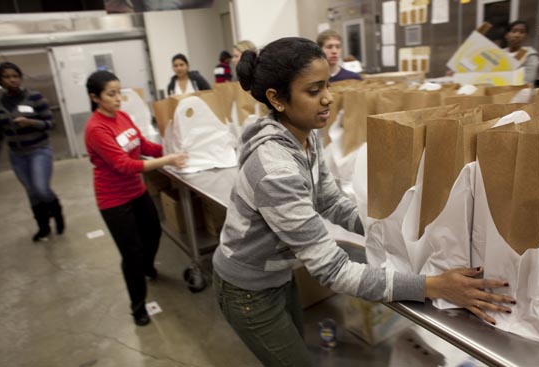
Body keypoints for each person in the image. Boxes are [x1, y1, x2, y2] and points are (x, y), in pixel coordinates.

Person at [211, 37, 515, 367]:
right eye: (313, 91)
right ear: (277, 98)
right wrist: (434, 286)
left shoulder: (305, 134)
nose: (328, 98)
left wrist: (388, 230)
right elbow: (334, 272)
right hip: (246, 290)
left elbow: (328, 200)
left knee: (293, 345)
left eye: (327, 85)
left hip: (278, 274)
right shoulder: (275, 171)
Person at [84, 70, 188, 326]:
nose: (118, 98)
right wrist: (168, 160)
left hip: (135, 191)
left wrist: (172, 147)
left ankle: (147, 266)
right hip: (113, 200)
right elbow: (123, 165)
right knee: (131, 253)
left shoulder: (122, 116)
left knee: (153, 232)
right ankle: (138, 306)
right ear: (95, 97)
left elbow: (142, 147)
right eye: (111, 94)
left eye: (119, 92)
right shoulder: (96, 129)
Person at [0, 62, 65, 242]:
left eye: (15, 76)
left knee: (41, 189)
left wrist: (31, 123)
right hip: (16, 154)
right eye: (7, 76)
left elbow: (50, 124)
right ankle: (43, 227)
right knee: (31, 192)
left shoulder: (35, 97)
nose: (12, 80)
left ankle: (57, 212)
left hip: (39, 150)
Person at [504, 20, 539, 85]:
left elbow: (528, 79)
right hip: (498, 92)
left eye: (522, 32)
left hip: (521, 92)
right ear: (507, 35)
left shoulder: (530, 55)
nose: (517, 35)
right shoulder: (500, 53)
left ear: (525, 36)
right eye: (513, 31)